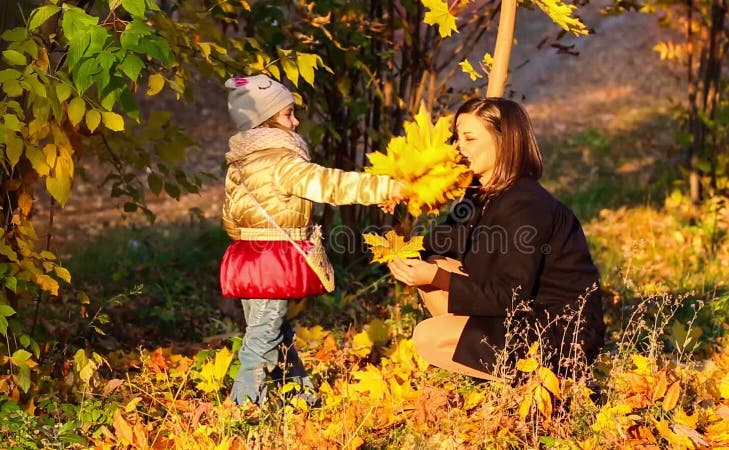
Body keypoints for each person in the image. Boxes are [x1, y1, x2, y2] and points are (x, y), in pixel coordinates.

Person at [387, 97, 604, 381]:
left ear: (504, 141)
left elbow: (510, 295)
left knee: (428, 336)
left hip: (557, 332)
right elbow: (437, 243)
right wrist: (408, 206)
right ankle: (484, 365)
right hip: (518, 315)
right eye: (457, 138)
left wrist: (436, 276)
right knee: (434, 264)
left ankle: (541, 379)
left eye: (469, 138)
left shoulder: (527, 205)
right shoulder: (479, 195)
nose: (458, 147)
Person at [222, 75, 403, 405]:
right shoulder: (282, 162)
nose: (295, 121)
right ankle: (242, 412)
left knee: (275, 334)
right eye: (288, 114)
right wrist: (387, 188)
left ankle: (302, 400)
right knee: (261, 340)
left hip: (246, 256)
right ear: (266, 121)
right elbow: (330, 184)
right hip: (272, 260)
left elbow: (230, 218)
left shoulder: (240, 164)